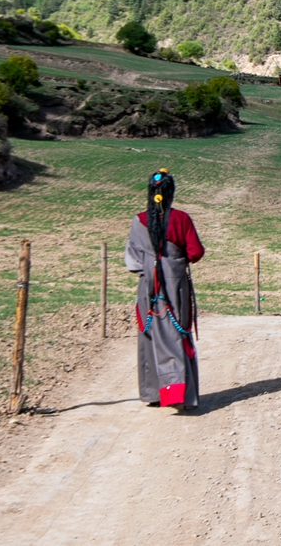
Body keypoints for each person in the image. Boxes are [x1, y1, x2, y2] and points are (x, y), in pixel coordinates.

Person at [126, 171, 204, 410]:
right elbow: (196, 252)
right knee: (175, 335)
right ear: (170, 194)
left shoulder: (139, 221)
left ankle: (154, 393)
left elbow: (133, 261)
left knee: (150, 336)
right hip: (175, 287)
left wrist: (151, 265)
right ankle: (179, 395)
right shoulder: (181, 219)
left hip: (148, 289)